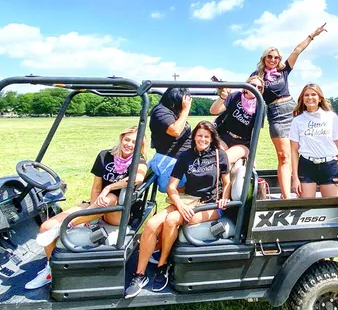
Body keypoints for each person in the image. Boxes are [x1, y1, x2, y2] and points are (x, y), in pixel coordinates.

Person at [25, 127, 148, 289]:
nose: (130, 144)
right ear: (121, 138)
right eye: (127, 139)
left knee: (110, 198)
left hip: (119, 212)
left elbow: (138, 178)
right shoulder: (105, 156)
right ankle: (50, 269)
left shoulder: (139, 161)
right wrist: (93, 212)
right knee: (46, 226)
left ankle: (66, 225)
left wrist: (109, 188)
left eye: (134, 142)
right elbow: (96, 187)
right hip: (99, 204)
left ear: (140, 145)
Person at [125, 121, 230, 297]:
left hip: (210, 205)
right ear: (194, 136)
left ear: (212, 138)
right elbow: (172, 187)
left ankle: (162, 266)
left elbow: (227, 182)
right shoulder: (186, 156)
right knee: (151, 224)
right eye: (199, 135)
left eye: (206, 136)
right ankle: (139, 274)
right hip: (187, 200)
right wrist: (180, 205)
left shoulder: (220, 155)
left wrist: (225, 197)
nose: (202, 139)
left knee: (171, 219)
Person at [256, 23, 327, 198]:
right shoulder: (257, 76)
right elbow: (248, 93)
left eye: (276, 57)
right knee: (284, 156)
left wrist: (312, 35)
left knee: (302, 150)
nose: (273, 60)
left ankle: (305, 185)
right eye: (270, 57)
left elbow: (297, 50)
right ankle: (286, 196)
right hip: (276, 114)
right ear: (264, 58)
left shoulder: (283, 71)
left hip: (292, 111)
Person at [289, 83, 338, 199]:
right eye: (306, 95)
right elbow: (294, 150)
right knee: (305, 209)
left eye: (313, 94)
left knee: (332, 208)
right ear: (302, 99)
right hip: (307, 166)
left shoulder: (331, 117)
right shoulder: (297, 120)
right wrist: (295, 177)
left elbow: (337, 146)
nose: (310, 97)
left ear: (320, 98)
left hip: (329, 166)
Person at [209, 75, 264, 165]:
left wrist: (252, 155)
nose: (256, 88)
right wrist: (222, 98)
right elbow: (213, 111)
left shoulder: (260, 105)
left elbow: (255, 132)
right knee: (215, 157)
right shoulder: (236, 96)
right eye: (253, 85)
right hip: (225, 136)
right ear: (246, 87)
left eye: (260, 88)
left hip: (242, 142)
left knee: (224, 160)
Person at [147, 87, 192, 192]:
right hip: (170, 160)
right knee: (182, 196)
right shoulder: (161, 111)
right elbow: (175, 131)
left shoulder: (172, 112)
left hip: (179, 159)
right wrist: (186, 109)